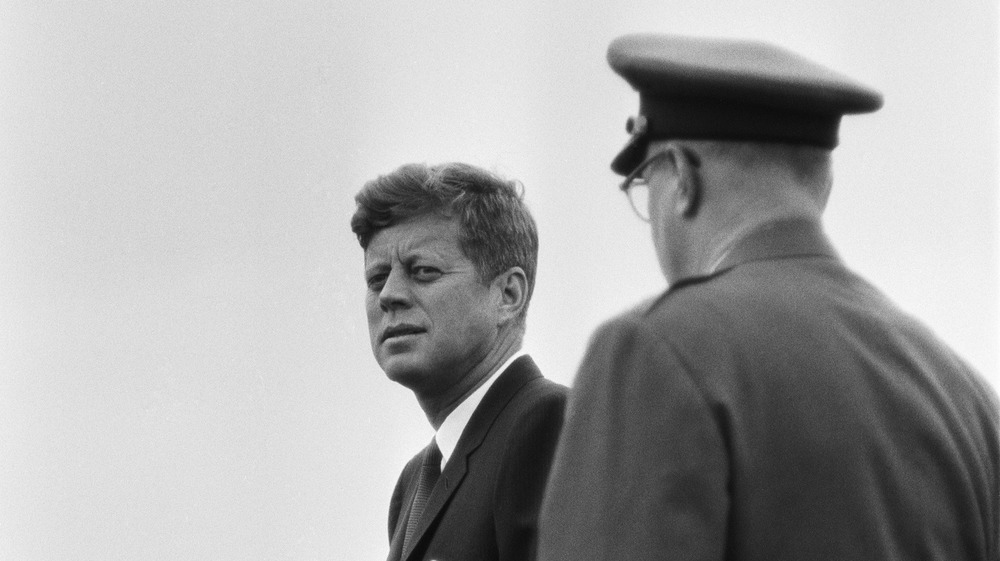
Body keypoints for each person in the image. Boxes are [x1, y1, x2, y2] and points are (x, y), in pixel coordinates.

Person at [538, 33, 1000, 561]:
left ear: (683, 178)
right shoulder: (965, 396)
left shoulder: (659, 350)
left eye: (647, 183)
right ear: (822, 186)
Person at [352, 162, 566, 561]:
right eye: (377, 278)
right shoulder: (414, 483)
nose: (389, 295)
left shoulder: (547, 423)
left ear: (508, 295)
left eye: (423, 271)